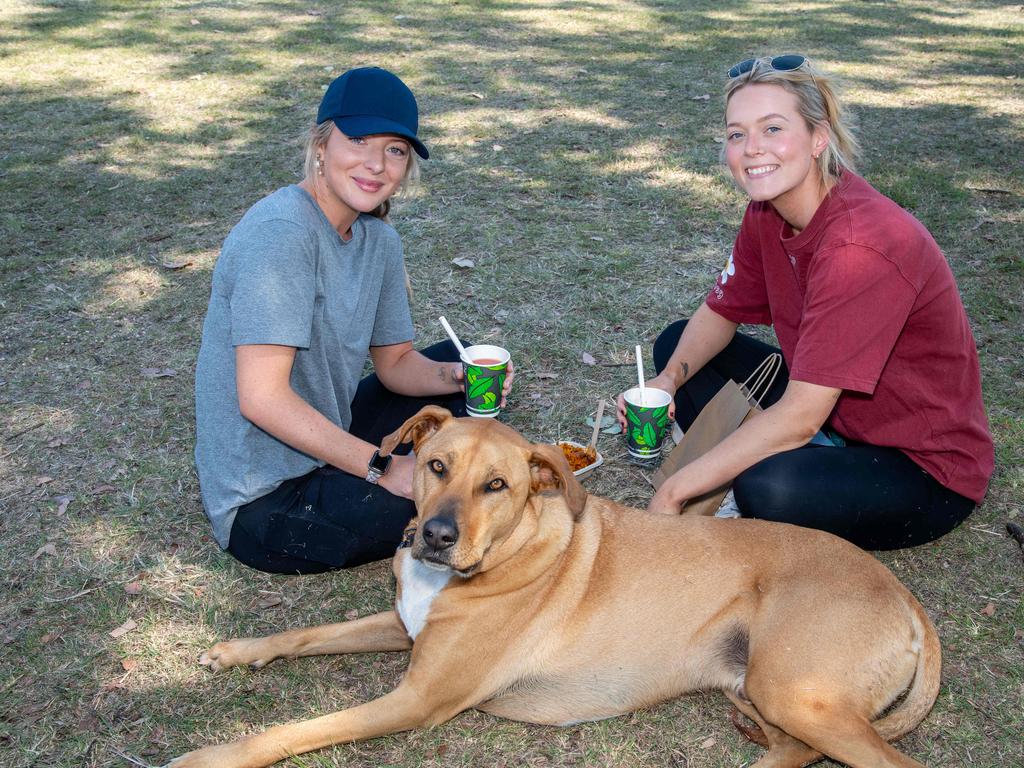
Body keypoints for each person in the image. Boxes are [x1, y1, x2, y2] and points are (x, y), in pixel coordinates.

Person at [619, 55, 993, 550]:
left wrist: (674, 492)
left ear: (819, 139)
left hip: (921, 466)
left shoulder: (861, 245)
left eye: (772, 128)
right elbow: (721, 312)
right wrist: (665, 385)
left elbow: (800, 415)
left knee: (766, 489)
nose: (752, 149)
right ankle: (787, 455)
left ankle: (777, 467)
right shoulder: (767, 210)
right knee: (677, 346)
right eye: (736, 134)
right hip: (831, 415)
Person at [195, 66, 512, 574]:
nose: (375, 163)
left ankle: (437, 460)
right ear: (321, 145)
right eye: (359, 139)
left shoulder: (379, 241)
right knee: (458, 515)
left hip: (327, 436)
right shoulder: (280, 234)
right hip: (267, 501)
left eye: (395, 150)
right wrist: (381, 466)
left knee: (463, 369)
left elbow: (396, 365)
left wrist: (455, 376)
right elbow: (261, 399)